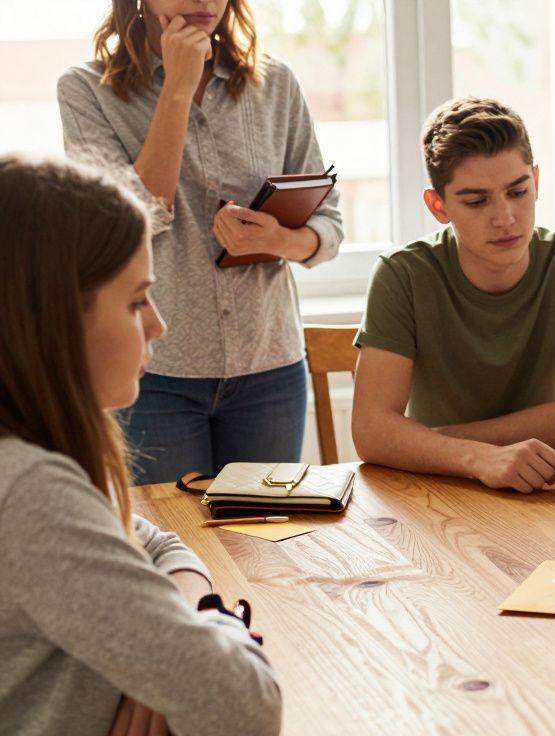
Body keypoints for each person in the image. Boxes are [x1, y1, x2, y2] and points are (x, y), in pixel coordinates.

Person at [0, 156, 280, 735]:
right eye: (135, 301)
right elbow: (246, 706)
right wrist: (218, 629)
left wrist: (185, 624)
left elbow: (149, 539)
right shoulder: (29, 493)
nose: (157, 325)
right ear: (54, 320)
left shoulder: (32, 457)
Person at [57, 0, 343, 484]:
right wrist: (176, 88)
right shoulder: (85, 90)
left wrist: (280, 240)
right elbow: (127, 227)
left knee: (263, 549)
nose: (205, 2)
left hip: (270, 371)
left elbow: (329, 226)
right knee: (173, 548)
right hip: (155, 377)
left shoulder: (275, 85)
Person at [351, 97, 555, 492]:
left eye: (518, 192)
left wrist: (429, 440)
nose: (505, 217)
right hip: (438, 491)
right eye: (476, 201)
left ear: (537, 182)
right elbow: (373, 432)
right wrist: (477, 458)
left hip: (549, 487)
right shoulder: (402, 274)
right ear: (437, 205)